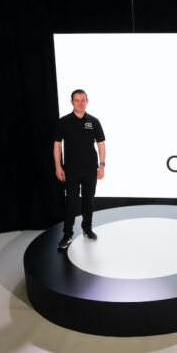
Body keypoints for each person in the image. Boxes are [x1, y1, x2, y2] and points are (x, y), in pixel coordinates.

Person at [54, 89, 106, 250]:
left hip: (90, 170)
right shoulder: (63, 122)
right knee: (71, 202)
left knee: (88, 201)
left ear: (87, 101)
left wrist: (102, 165)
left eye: (83, 100)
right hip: (70, 171)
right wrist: (58, 166)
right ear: (72, 102)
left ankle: (87, 229)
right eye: (76, 100)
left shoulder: (94, 122)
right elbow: (57, 145)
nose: (80, 103)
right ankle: (67, 234)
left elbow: (101, 145)